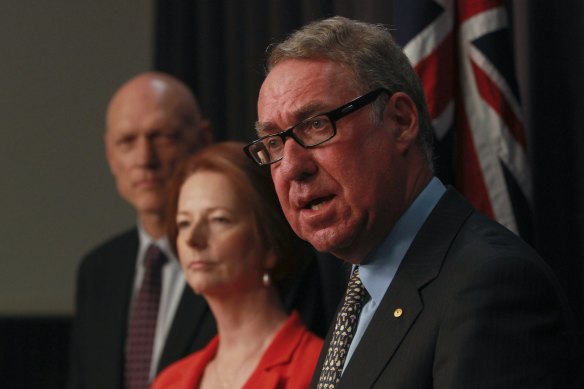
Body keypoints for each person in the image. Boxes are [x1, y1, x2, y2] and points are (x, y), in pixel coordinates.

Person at [244, 16, 583, 388]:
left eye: (316, 125)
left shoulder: (491, 284)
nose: (291, 166)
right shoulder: (364, 292)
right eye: (274, 143)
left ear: (401, 121)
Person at [67, 71, 216, 389]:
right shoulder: (96, 272)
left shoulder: (243, 260)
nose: (144, 159)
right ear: (110, 155)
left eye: (162, 136)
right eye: (126, 141)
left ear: (203, 140)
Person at [151, 142, 323, 389]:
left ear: (270, 243)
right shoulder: (168, 382)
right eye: (184, 223)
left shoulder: (317, 367)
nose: (192, 240)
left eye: (219, 219)